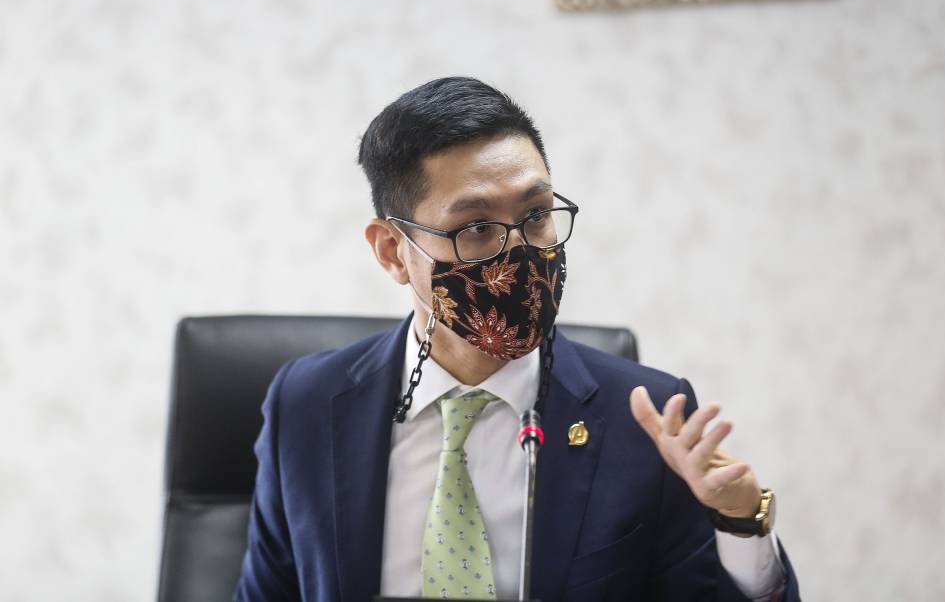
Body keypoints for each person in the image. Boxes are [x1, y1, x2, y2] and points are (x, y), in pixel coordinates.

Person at [234, 76, 798, 601]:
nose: (520, 252)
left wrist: (741, 521)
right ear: (392, 251)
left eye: (535, 215)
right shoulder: (305, 403)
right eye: (476, 227)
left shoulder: (643, 419)